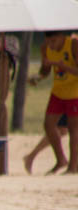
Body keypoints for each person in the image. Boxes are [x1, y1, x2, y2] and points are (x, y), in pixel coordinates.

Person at [29, 30, 78, 175]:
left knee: (73, 129)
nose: (51, 45)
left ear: (61, 37)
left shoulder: (73, 45)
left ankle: (73, 167)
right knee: (48, 125)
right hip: (58, 92)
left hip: (74, 93)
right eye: (48, 42)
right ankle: (61, 159)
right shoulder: (45, 48)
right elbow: (45, 70)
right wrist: (37, 78)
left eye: (54, 42)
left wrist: (62, 66)